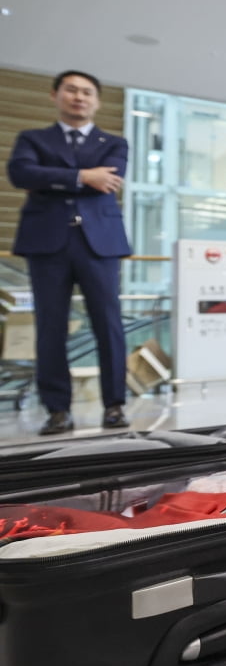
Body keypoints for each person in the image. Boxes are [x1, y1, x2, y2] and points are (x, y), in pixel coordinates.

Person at [7, 70, 133, 435]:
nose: (79, 97)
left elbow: (109, 179)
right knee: (50, 327)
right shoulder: (32, 138)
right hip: (47, 243)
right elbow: (22, 174)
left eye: (87, 92)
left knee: (109, 325)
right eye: (71, 90)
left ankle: (114, 405)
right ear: (55, 95)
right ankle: (57, 410)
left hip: (100, 244)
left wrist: (56, 177)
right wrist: (83, 176)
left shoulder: (114, 142)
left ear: (96, 101)